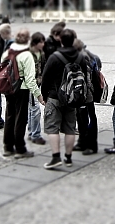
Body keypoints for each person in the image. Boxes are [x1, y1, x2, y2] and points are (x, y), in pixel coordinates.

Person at [40, 28, 90, 169]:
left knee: (52, 128)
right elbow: (85, 76)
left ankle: (56, 157)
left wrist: (44, 95)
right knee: (70, 128)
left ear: (61, 40)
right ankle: (68, 158)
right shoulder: (80, 57)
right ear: (74, 40)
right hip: (72, 98)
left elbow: (46, 78)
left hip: (55, 97)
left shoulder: (54, 56)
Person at [2, 28, 43, 158]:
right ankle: (20, 149)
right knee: (20, 119)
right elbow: (30, 80)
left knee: (9, 116)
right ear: (28, 39)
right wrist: (38, 95)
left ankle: (8, 147)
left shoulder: (7, 52)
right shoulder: (27, 55)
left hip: (8, 88)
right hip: (21, 89)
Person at [73, 38, 100, 155]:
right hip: (85, 93)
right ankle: (83, 142)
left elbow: (87, 78)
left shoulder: (83, 57)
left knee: (87, 118)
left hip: (86, 94)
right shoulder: (86, 54)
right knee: (82, 118)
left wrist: (83, 93)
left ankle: (91, 145)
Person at [27, 32, 47, 145]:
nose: (43, 44)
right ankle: (35, 134)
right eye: (41, 42)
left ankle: (31, 132)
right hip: (30, 85)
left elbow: (43, 69)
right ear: (35, 42)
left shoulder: (41, 53)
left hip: (38, 83)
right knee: (35, 110)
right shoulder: (28, 54)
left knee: (32, 109)